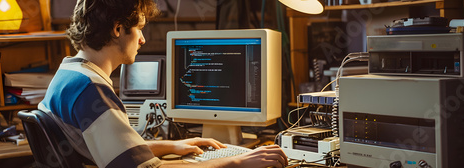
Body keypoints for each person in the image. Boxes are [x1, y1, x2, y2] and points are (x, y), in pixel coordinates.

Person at [38, 0, 288, 167]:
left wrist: (171, 145)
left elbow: (117, 151)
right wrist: (237, 162)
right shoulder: (91, 90)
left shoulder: (69, 74)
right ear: (118, 29)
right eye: (139, 28)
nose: (143, 39)